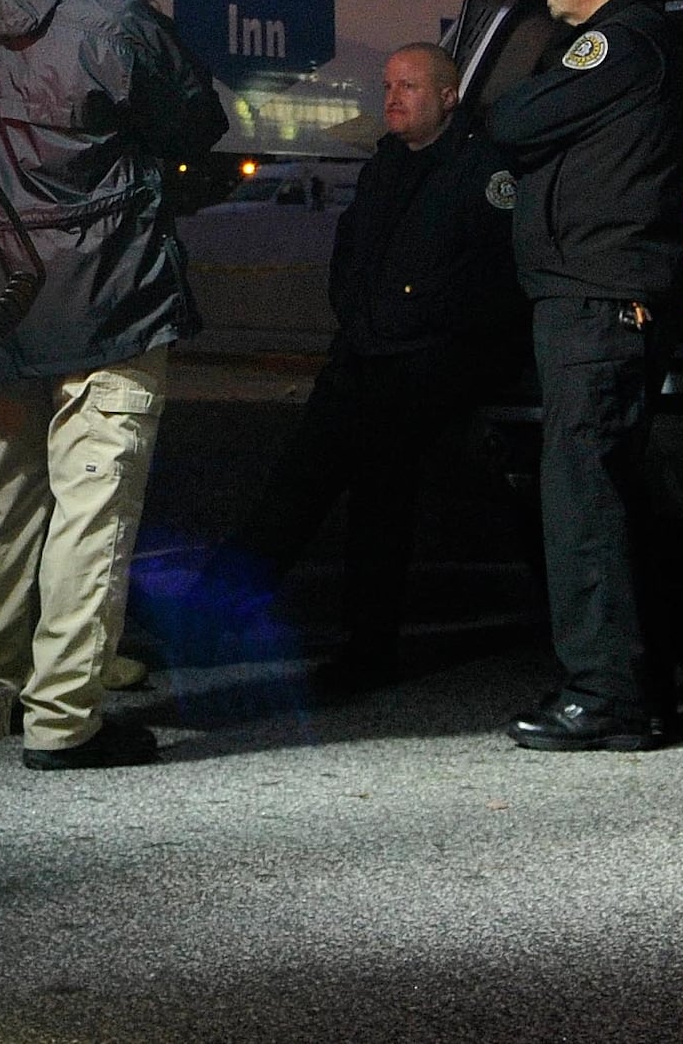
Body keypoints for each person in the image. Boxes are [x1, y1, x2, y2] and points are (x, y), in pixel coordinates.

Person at [0, 0, 229, 772]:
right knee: (91, 501)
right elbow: (197, 124)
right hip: (107, 289)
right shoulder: (118, 21)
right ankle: (65, 714)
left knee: (4, 489)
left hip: (0, 288)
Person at [194, 41, 522, 695]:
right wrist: (361, 319)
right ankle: (206, 619)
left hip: (422, 363)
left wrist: (419, 328)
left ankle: (368, 652)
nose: (392, 97)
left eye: (409, 85)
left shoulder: (482, 171)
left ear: (448, 97)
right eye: (388, 84)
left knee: (381, 504)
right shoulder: (386, 165)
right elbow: (351, 258)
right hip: (362, 355)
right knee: (293, 488)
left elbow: (490, 279)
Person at [480, 0, 683, 752]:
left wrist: (520, 89)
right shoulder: (626, 49)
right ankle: (634, 692)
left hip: (597, 300)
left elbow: (511, 119)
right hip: (598, 296)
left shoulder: (619, 43)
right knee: (604, 492)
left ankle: (602, 693)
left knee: (583, 499)